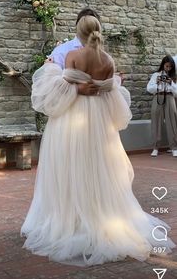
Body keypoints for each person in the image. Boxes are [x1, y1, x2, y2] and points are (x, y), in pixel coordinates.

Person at [21, 16, 175, 266]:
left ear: (77, 33)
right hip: (100, 123)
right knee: (100, 168)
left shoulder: (73, 57)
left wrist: (50, 67)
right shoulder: (108, 60)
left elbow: (60, 89)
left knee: (71, 167)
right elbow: (111, 93)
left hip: (74, 121)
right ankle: (102, 216)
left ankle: (72, 220)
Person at [147, 55, 177, 157]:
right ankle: (155, 147)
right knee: (156, 121)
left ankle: (174, 147)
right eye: (167, 66)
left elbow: (176, 92)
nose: (168, 68)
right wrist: (157, 83)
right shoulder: (156, 75)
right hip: (158, 97)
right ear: (163, 64)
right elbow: (149, 89)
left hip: (170, 98)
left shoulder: (174, 76)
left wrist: (171, 83)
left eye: (170, 67)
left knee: (173, 122)